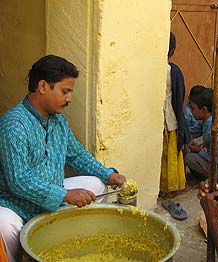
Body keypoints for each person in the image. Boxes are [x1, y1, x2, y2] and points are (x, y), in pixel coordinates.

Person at [0, 55, 126, 262]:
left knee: (96, 184)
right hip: (17, 204)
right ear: (42, 87)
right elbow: (19, 180)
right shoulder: (14, 124)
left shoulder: (59, 121)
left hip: (54, 193)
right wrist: (64, 195)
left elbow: (77, 155)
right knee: (3, 225)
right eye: (65, 91)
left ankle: (76, 248)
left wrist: (109, 175)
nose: (69, 98)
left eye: (70, 92)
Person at [184, 88, 218, 189]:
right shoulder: (208, 120)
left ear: (204, 109)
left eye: (193, 108)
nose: (191, 111)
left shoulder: (213, 130)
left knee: (189, 158)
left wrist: (200, 150)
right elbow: (193, 131)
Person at [159, 32, 190, 199]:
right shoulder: (169, 70)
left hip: (168, 119)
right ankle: (166, 188)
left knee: (168, 155)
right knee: (167, 156)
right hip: (168, 119)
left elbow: (177, 97)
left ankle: (167, 189)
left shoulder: (170, 71)